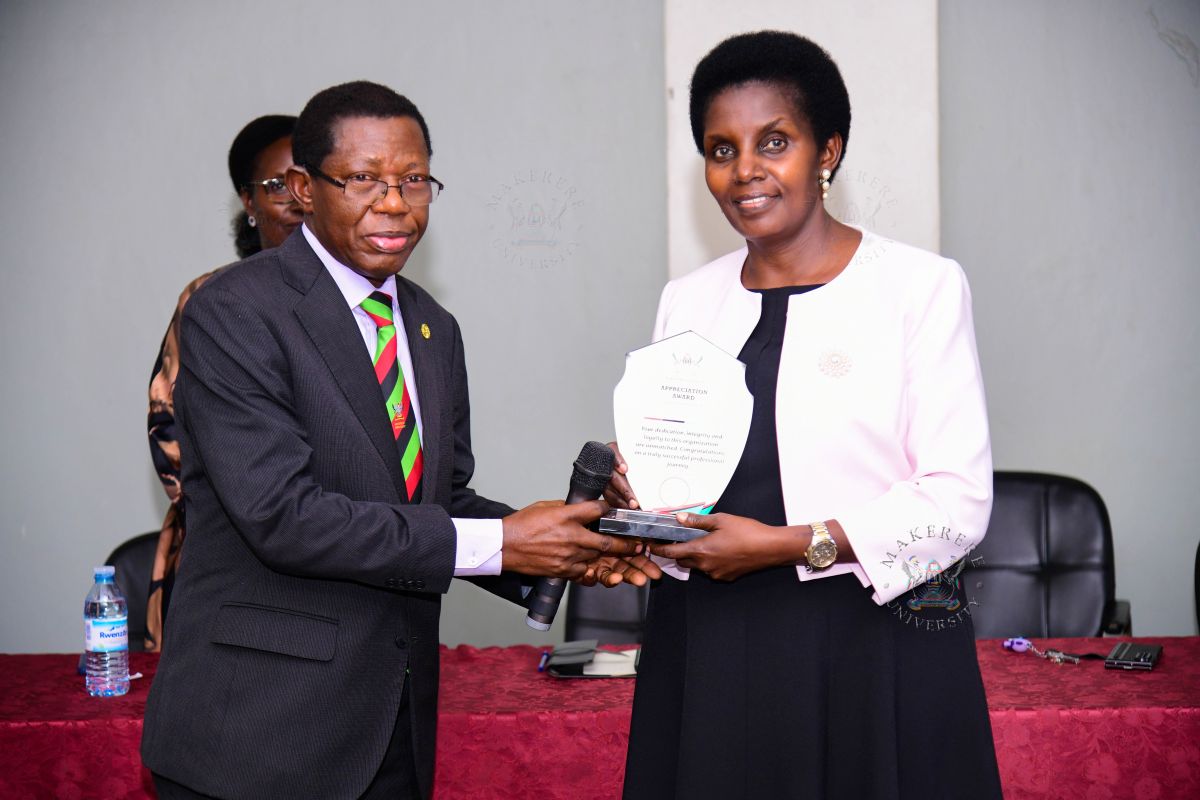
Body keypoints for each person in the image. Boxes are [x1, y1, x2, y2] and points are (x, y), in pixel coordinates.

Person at [141, 81, 654, 800]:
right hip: (258, 738)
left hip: (392, 729)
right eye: (363, 179)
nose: (394, 202)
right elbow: (283, 518)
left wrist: (569, 546)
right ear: (302, 189)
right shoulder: (234, 310)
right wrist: (507, 542)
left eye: (414, 180)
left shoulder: (431, 328)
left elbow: (439, 500)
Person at [610, 31, 1003, 799]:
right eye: (721, 149)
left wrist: (789, 545)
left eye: (775, 142)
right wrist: (637, 507)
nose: (745, 171)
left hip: (872, 638)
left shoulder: (920, 287)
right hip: (712, 641)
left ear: (829, 150)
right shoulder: (687, 300)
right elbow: (678, 473)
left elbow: (958, 503)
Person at [145, 114, 301, 651]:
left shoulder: (366, 304)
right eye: (278, 186)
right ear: (249, 202)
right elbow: (168, 432)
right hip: (231, 559)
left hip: (338, 563)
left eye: (309, 180)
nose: (298, 199)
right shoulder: (214, 300)